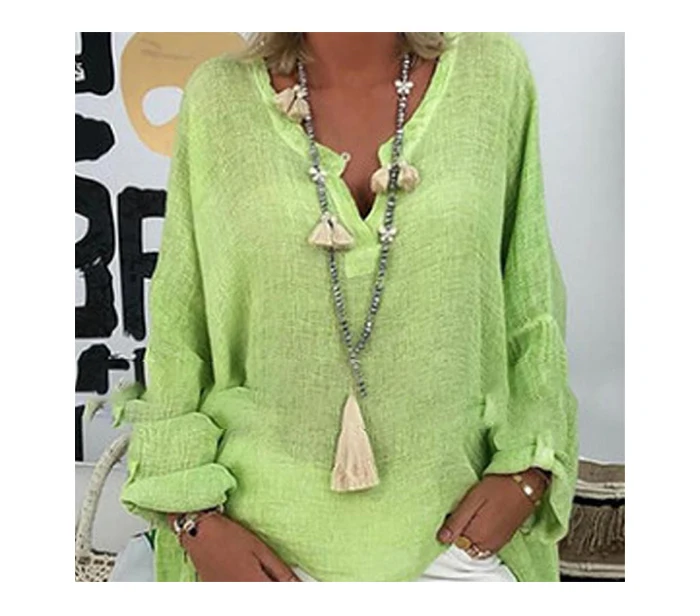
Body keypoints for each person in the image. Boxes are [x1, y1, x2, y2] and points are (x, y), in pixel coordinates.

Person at [111, 32, 579, 582]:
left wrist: (529, 472)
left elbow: (530, 298)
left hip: (459, 542)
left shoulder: (492, 74)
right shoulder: (218, 98)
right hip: (261, 548)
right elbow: (178, 327)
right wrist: (196, 522)